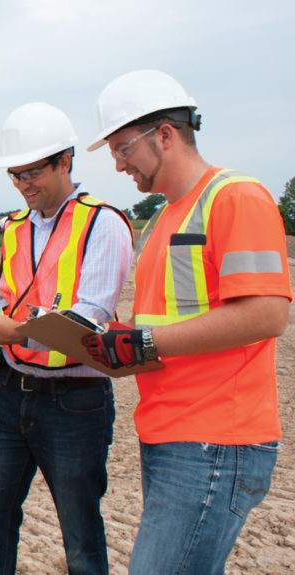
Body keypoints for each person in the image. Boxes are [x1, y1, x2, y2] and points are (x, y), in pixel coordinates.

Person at [80, 70, 291, 574]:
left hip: (216, 440)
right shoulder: (164, 219)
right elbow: (162, 327)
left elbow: (267, 312)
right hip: (173, 434)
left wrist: (143, 341)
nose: (117, 163)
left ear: (166, 135)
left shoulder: (236, 197)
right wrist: (118, 344)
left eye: (123, 148)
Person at [0, 102, 133, 575]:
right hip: (12, 392)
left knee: (79, 531)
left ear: (66, 161)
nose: (23, 184)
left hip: (76, 402)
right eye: (15, 175)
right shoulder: (14, 229)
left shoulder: (103, 223)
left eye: (32, 172)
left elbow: (89, 319)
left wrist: (13, 328)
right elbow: (6, 300)